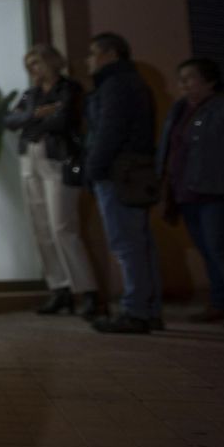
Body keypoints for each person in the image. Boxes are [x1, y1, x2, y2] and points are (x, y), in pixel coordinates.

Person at [157, 58, 224, 330]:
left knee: (222, 248)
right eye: (181, 78)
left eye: (189, 78)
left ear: (210, 81)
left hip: (218, 193)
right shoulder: (181, 110)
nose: (183, 84)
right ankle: (220, 302)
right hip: (188, 192)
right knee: (207, 249)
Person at [4, 44, 100, 317]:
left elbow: (63, 120)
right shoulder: (32, 94)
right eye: (30, 64)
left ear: (53, 62)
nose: (34, 69)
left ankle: (88, 292)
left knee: (62, 227)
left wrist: (32, 120)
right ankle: (60, 290)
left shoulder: (70, 88)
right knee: (41, 228)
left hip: (59, 160)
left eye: (38, 62)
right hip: (30, 159)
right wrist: (35, 115)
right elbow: (9, 121)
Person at [82, 32, 162, 335]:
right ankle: (148, 310)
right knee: (139, 243)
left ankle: (135, 311)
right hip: (131, 170)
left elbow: (108, 131)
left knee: (126, 243)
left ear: (110, 54)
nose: (88, 60)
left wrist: (93, 168)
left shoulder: (116, 85)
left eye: (92, 53)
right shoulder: (132, 82)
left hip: (118, 172)